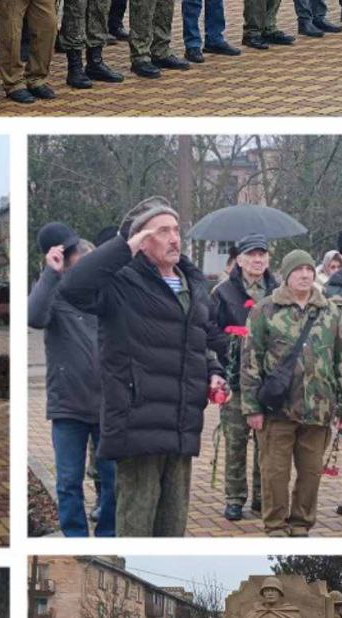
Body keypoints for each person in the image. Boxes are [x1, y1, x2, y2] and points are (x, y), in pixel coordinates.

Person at [59, 196, 227, 537]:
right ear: (140, 240)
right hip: (138, 423)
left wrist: (213, 370)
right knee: (136, 525)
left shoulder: (192, 284)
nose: (174, 238)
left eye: (176, 230)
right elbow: (72, 288)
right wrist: (123, 247)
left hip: (181, 423)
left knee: (172, 527)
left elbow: (197, 340)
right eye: (162, 231)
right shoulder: (120, 282)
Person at [241, 249, 342, 537]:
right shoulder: (265, 310)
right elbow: (250, 360)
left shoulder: (330, 312)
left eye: (309, 270)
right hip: (277, 411)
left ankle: (302, 523)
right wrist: (251, 407)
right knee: (274, 474)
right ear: (286, 275)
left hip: (318, 410)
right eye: (298, 270)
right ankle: (276, 525)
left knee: (310, 474)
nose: (305, 275)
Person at [28, 224, 114, 537]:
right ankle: (75, 539)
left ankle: (107, 537)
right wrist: (50, 273)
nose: (80, 260)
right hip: (68, 407)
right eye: (74, 254)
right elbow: (34, 317)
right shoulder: (55, 294)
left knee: (113, 481)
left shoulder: (104, 292)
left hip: (107, 405)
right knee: (68, 483)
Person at [210, 234, 277, 520]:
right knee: (235, 442)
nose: (258, 259)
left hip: (271, 382)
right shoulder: (223, 293)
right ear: (239, 259)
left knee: (268, 443)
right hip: (235, 379)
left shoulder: (278, 291)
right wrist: (234, 344)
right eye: (252, 254)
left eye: (262, 254)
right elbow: (208, 329)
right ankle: (235, 497)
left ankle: (263, 497)